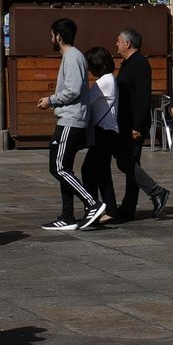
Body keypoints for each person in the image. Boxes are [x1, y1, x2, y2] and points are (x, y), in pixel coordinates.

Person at [36, 19, 106, 231]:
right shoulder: (73, 56)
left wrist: (51, 100)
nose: (51, 39)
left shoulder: (72, 56)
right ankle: (67, 216)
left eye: (52, 35)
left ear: (58, 36)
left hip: (71, 121)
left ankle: (92, 203)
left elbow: (73, 90)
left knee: (57, 167)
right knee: (64, 169)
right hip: (71, 120)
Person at [114, 28, 170, 220]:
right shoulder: (128, 63)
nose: (116, 44)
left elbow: (142, 96)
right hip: (125, 122)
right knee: (131, 163)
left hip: (133, 124)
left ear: (127, 43)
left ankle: (156, 191)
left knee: (125, 161)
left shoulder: (139, 63)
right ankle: (128, 207)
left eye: (119, 40)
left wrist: (137, 126)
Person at [80, 46, 119, 227]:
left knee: (88, 170)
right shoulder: (109, 79)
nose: (88, 69)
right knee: (102, 172)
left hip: (104, 132)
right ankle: (109, 209)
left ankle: (93, 207)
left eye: (89, 65)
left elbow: (86, 100)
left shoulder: (104, 81)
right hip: (107, 132)